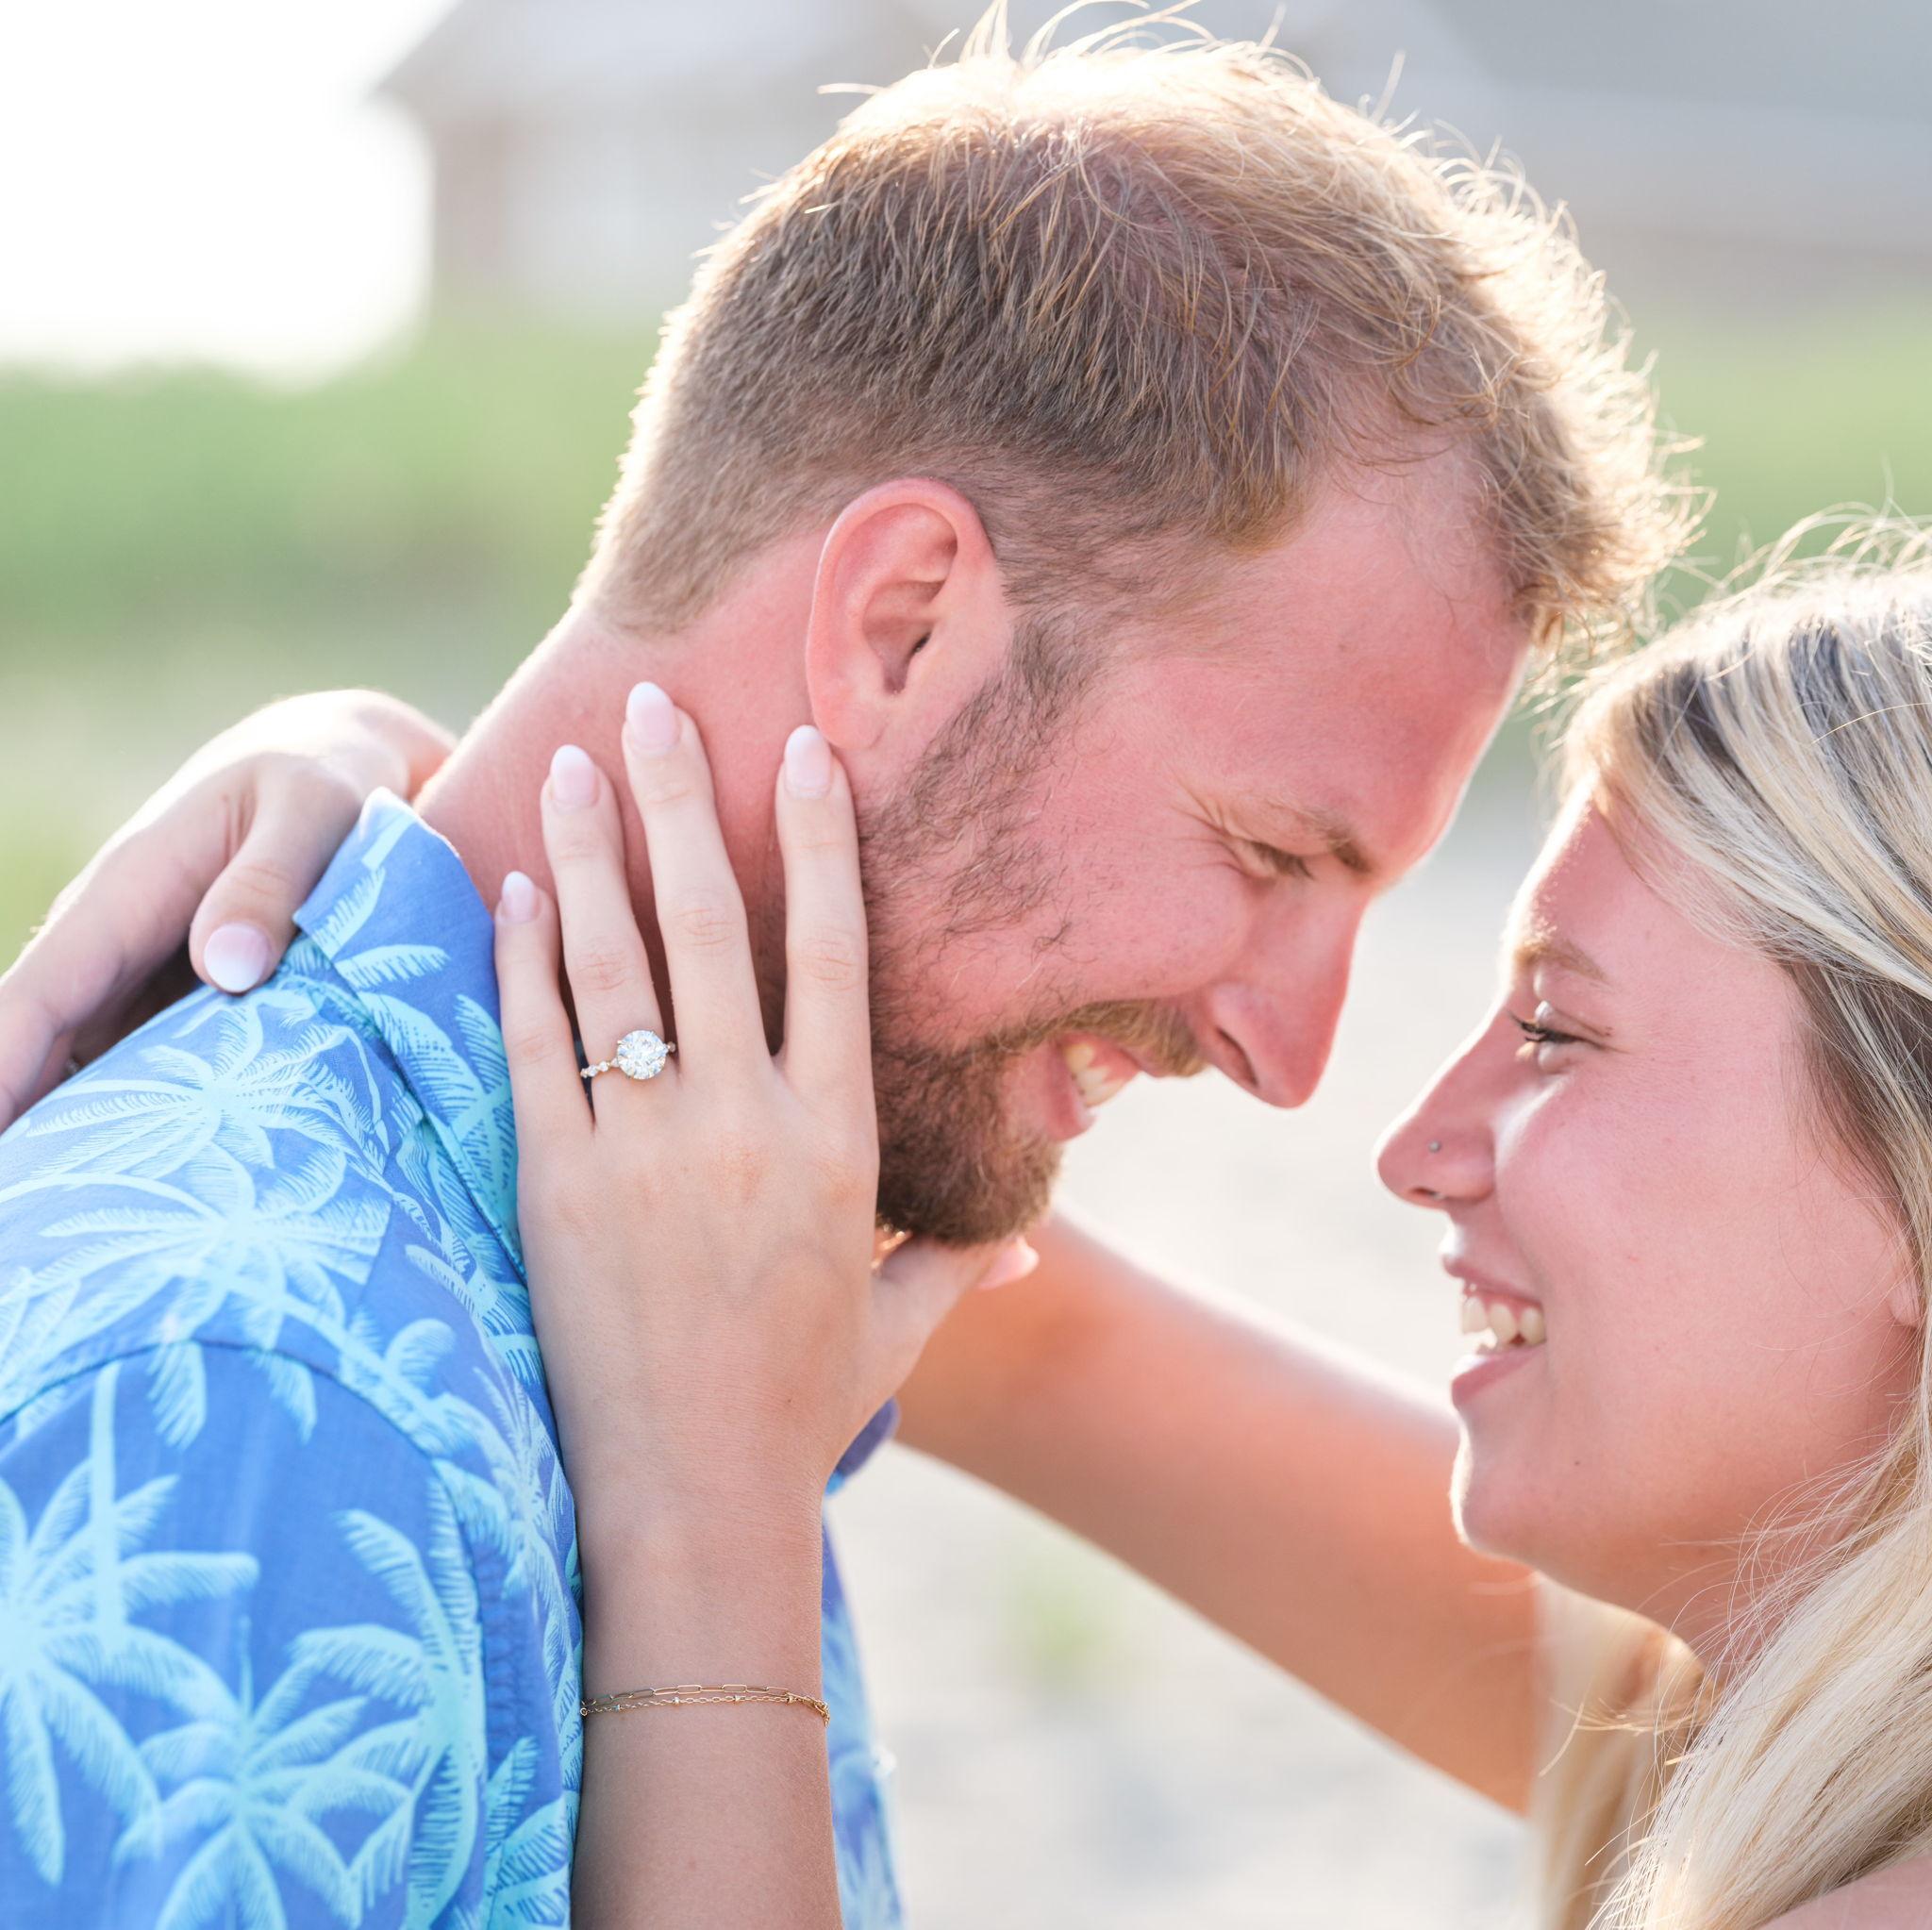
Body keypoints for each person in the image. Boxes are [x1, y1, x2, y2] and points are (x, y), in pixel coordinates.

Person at [0, 20, 1682, 1927]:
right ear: (899, 628)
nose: (1297, 1065)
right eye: (1270, 853)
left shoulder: (712, 1306)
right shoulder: (249, 1409)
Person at [22, 549, 1932, 1930]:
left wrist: (710, 1531)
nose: (1407, 1147)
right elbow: (1020, 1333)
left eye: (1555, 1032)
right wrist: (434, 834)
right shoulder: (1776, 1725)